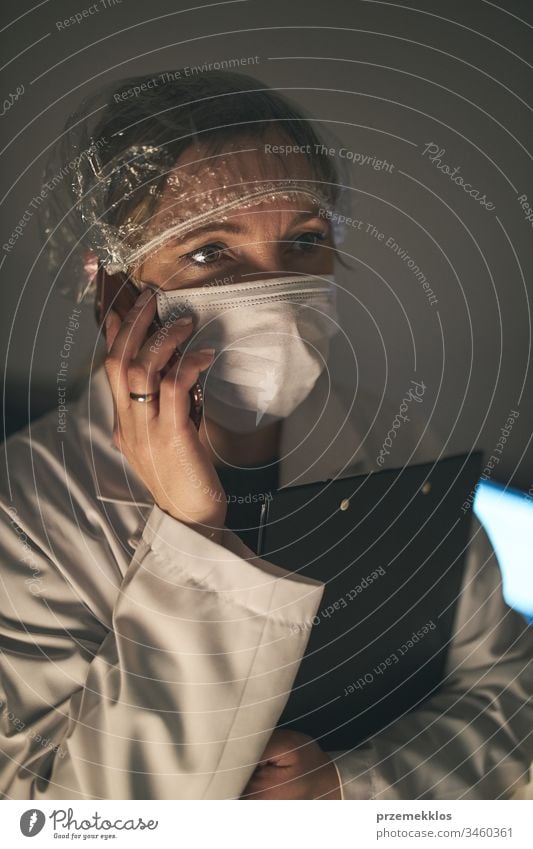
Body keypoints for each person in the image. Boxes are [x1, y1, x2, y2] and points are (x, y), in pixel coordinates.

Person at [1, 71, 531, 801]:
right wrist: (193, 533)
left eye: (304, 240)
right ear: (115, 292)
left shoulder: (394, 436)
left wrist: (349, 787)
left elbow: (509, 688)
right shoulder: (28, 505)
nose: (275, 293)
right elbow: (45, 811)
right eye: (210, 251)